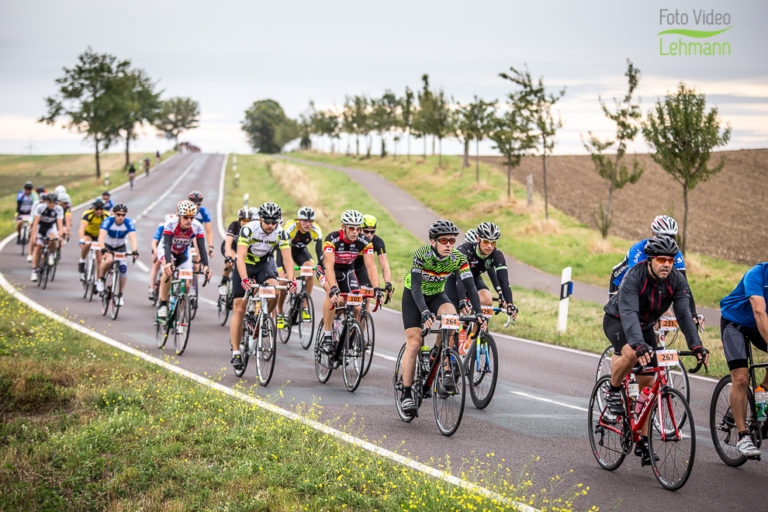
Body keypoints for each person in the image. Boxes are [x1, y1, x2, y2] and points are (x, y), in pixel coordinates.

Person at [603, 236, 708, 465]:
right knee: (631, 353)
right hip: (618, 320)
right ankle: (612, 390)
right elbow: (629, 313)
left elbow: (683, 314)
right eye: (661, 259)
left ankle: (642, 439)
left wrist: (696, 345)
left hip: (645, 325)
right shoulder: (635, 276)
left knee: (648, 385)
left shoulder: (676, 280)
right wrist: (639, 345)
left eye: (670, 260)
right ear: (650, 260)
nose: (666, 264)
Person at [398, 219, 487, 416]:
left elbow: (471, 286)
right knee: (414, 343)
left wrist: (478, 313)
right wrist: (424, 312)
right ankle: (405, 393)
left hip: (438, 295)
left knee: (452, 319)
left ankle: (440, 355)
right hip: (415, 296)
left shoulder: (458, 258)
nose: (448, 245)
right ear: (433, 241)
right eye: (444, 240)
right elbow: (415, 287)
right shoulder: (422, 255)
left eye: (452, 241)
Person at [229, 202, 296, 371]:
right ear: (260, 219)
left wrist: (291, 280)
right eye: (268, 222)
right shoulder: (248, 229)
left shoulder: (281, 233)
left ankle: (261, 317)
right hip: (245, 265)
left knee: (274, 290)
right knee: (239, 308)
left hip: (263, 264)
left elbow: (288, 260)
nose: (271, 226)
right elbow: (241, 258)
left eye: (274, 222)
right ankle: (236, 352)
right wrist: (244, 279)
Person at [719, 262, 768, 458]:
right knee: (740, 378)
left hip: (759, 325)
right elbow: (758, 311)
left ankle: (762, 392)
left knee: (760, 388)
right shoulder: (756, 274)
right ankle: (742, 436)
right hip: (735, 324)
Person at [316, 209, 381, 354]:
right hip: (327, 270)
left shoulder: (364, 241)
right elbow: (329, 266)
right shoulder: (332, 239)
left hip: (347, 272)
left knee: (358, 307)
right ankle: (328, 336)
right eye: (352, 228)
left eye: (359, 228)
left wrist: (376, 288)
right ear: (343, 227)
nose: (355, 232)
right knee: (334, 297)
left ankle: (345, 336)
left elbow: (371, 266)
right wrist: (333, 288)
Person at [445, 221, 518, 319]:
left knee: (487, 299)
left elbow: (504, 281)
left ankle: (476, 332)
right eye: (486, 242)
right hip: (454, 280)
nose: (489, 246)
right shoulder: (464, 251)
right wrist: (462, 300)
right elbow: (460, 277)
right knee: (452, 322)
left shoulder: (496, 255)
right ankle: (452, 332)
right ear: (478, 239)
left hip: (474, 279)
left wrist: (509, 303)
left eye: (493, 243)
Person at [156, 201, 210, 320]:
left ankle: (180, 310)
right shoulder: (171, 224)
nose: (189, 220)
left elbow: (201, 248)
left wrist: (206, 266)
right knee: (168, 272)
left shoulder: (197, 227)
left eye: (192, 217)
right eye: (186, 217)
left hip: (183, 253)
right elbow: (167, 244)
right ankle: (163, 304)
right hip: (167, 250)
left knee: (186, 283)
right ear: (179, 216)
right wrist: (169, 264)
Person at [275, 206, 323, 326]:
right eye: (305, 221)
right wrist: (281, 269)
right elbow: (281, 248)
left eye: (310, 221)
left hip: (300, 251)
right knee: (284, 280)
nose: (308, 224)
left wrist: (322, 267)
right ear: (299, 220)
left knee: (310, 270)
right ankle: (279, 311)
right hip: (286, 250)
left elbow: (319, 253)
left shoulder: (316, 229)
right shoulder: (291, 226)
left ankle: (304, 306)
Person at [96, 204, 138, 304]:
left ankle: (120, 295)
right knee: (109, 260)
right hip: (108, 246)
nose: (121, 217)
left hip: (120, 247)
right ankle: (101, 280)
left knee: (123, 269)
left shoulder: (128, 223)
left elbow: (133, 238)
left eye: (123, 215)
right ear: (114, 214)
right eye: (118, 215)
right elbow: (101, 237)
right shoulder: (108, 221)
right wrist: (103, 250)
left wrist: (134, 251)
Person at [354, 214, 393, 299]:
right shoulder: (354, 238)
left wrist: (388, 283)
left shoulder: (378, 242)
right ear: (359, 229)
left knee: (367, 296)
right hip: (349, 268)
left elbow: (384, 264)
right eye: (366, 231)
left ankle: (365, 312)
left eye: (372, 232)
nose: (369, 235)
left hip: (362, 269)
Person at [28, 194, 64, 282]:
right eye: (50, 202)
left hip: (51, 226)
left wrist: (60, 235)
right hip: (41, 226)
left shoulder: (59, 209)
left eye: (54, 202)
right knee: (38, 247)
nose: (52, 204)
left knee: (53, 239)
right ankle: (34, 271)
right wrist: (33, 235)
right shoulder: (40, 207)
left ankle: (51, 254)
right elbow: (35, 222)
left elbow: (60, 224)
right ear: (46, 202)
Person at [219, 207, 252, 296]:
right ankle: (224, 282)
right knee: (231, 262)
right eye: (244, 221)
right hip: (231, 247)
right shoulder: (234, 225)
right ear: (239, 220)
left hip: (243, 249)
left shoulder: (252, 228)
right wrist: (229, 256)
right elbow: (228, 242)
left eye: (248, 221)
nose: (246, 223)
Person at [78, 199, 111, 280]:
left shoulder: (107, 215)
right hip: (89, 234)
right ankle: (82, 260)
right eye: (97, 209)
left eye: (101, 209)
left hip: (99, 236)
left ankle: (97, 280)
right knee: (87, 243)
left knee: (99, 258)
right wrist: (81, 240)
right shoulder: (88, 214)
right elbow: (82, 228)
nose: (99, 211)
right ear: (93, 208)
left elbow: (109, 230)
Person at [149, 214, 177, 300]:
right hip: (159, 248)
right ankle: (151, 287)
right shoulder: (161, 228)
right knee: (156, 264)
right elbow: (154, 242)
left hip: (171, 249)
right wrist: (155, 251)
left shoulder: (175, 228)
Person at [189, 191, 214, 261]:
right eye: (194, 204)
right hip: (185, 235)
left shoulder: (204, 212)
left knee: (198, 258)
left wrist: (210, 246)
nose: (196, 206)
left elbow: (208, 232)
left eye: (199, 204)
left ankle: (197, 269)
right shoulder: (185, 210)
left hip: (196, 235)